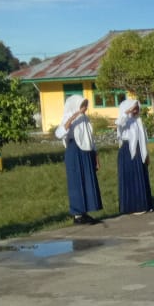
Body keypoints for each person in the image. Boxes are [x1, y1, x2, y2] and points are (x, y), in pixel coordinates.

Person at [54, 95, 102, 224]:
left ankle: (85, 211)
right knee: (76, 182)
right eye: (82, 105)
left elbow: (90, 139)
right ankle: (77, 214)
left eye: (86, 105)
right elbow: (59, 133)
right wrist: (75, 115)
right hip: (74, 151)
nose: (85, 108)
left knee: (86, 180)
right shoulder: (69, 118)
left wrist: (96, 156)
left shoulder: (85, 119)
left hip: (86, 152)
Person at [115, 99, 153, 215]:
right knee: (131, 178)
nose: (136, 110)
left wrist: (146, 154)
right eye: (134, 108)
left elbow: (143, 138)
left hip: (139, 150)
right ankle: (132, 206)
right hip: (127, 151)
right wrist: (128, 111)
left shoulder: (138, 121)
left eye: (137, 108)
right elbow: (119, 122)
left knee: (140, 176)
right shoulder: (125, 120)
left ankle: (143, 204)